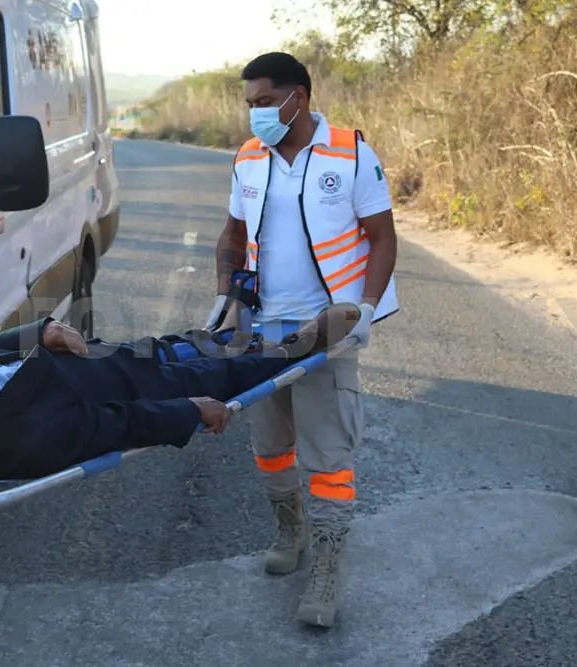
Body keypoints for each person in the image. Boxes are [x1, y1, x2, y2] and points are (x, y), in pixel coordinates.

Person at [212, 51, 400, 628]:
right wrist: (224, 296)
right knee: (270, 446)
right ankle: (290, 528)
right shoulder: (249, 157)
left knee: (329, 458)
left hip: (326, 331)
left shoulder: (351, 153)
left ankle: (327, 567)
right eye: (250, 104)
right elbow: (232, 235)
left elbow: (383, 237)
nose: (256, 114)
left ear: (299, 97)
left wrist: (366, 309)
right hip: (261, 331)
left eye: (265, 102)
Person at [0, 305, 361, 482]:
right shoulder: (31, 434)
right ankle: (296, 348)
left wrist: (41, 330)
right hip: (146, 391)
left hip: (118, 359)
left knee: (185, 345)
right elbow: (119, 425)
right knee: (223, 372)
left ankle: (233, 335)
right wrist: (188, 412)